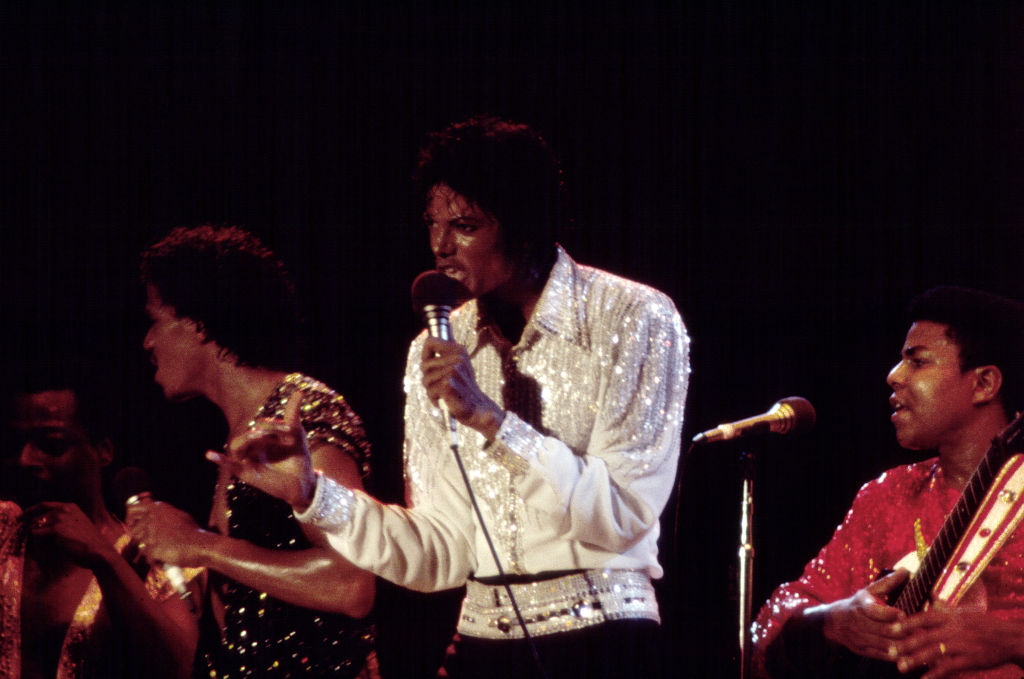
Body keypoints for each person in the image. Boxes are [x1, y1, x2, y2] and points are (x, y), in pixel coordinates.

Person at [210, 115, 690, 679]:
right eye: (432, 224)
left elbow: (622, 516)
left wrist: (491, 420)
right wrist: (315, 496)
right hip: (482, 640)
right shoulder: (433, 348)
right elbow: (440, 553)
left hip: (602, 638)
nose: (439, 246)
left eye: (464, 225)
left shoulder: (633, 316)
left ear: (525, 226)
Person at [127, 225, 377, 678]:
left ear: (198, 324)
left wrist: (201, 546)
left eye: (155, 320)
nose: (147, 342)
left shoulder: (302, 417)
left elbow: (352, 584)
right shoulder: (240, 431)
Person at [751, 286, 1024, 679]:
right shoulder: (888, 495)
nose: (893, 376)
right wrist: (834, 620)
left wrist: (1008, 639)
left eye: (917, 362)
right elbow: (771, 625)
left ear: (983, 384)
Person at [0, 367, 198, 679]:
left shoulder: (150, 557)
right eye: (16, 444)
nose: (26, 459)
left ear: (103, 451)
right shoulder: (4, 530)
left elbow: (181, 667)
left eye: (51, 444)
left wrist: (106, 561)